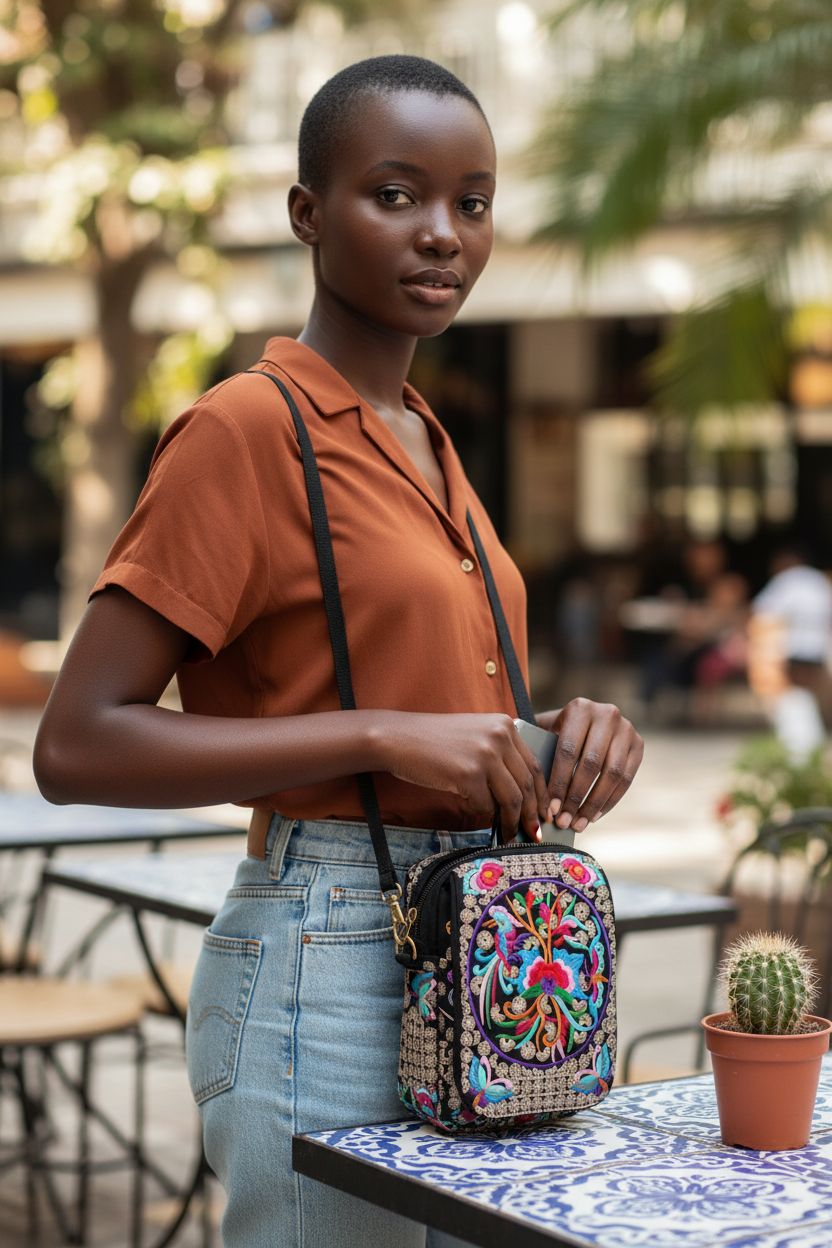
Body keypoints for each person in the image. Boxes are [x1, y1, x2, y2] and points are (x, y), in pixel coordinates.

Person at [34, 56, 644, 1248]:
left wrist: (566, 733)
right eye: (396, 195)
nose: (441, 237)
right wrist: (380, 737)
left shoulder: (425, 441)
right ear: (308, 213)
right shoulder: (247, 431)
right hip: (327, 958)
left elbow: (422, 689)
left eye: (470, 203)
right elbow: (75, 743)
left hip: (484, 944)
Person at [750, 540, 832, 757]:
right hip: (818, 649)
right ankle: (809, 745)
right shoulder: (819, 581)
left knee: (792, 699)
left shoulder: (787, 580)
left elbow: (764, 614)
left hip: (793, 650)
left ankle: (801, 747)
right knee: (806, 699)